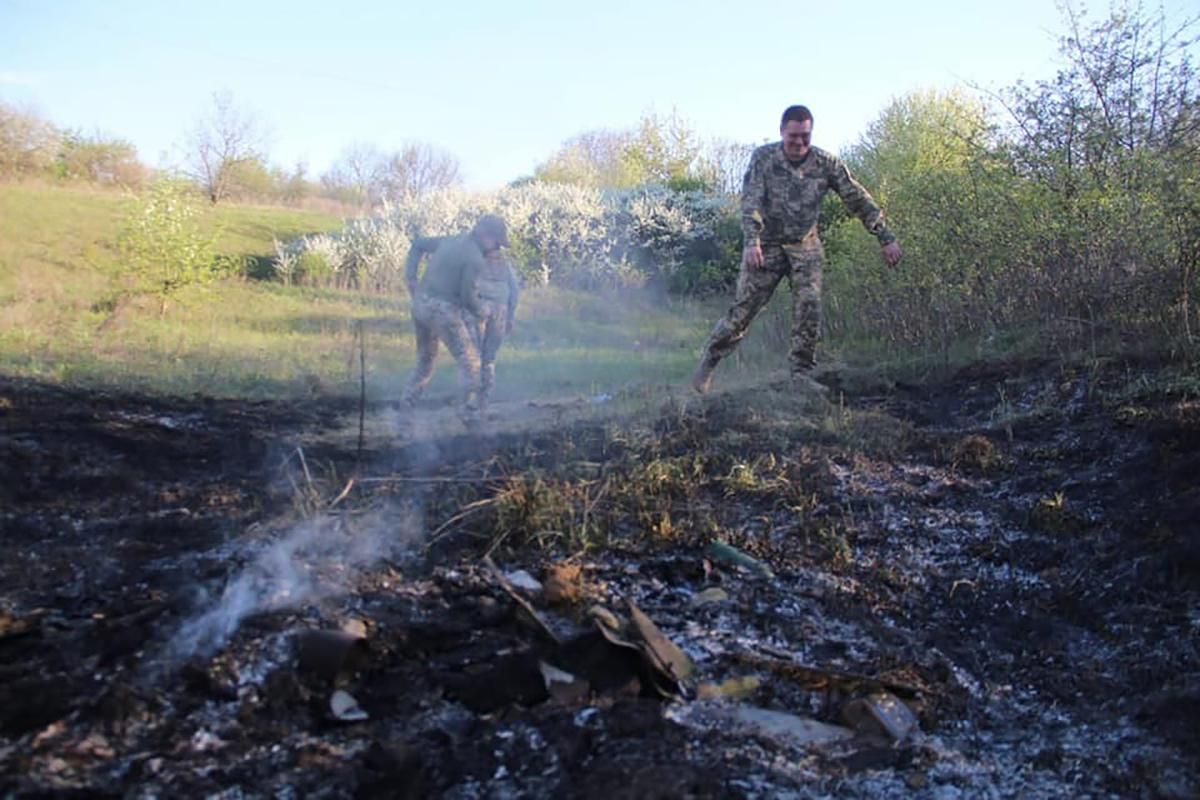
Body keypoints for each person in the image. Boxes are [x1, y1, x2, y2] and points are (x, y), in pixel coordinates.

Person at [691, 105, 902, 396]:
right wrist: (752, 241)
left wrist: (885, 237)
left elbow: (856, 198)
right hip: (766, 245)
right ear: (781, 132)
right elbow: (751, 201)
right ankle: (708, 363)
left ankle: (801, 374)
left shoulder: (826, 163)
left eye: (805, 136)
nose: (800, 143)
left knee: (809, 307)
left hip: (805, 246)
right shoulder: (763, 158)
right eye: (793, 136)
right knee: (742, 313)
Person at [401, 213, 510, 424]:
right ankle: (466, 415)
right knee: (472, 364)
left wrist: (411, 278)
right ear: (485, 235)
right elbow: (467, 298)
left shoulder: (451, 240)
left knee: (424, 362)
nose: (497, 248)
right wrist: (484, 310)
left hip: (420, 305)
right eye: (496, 242)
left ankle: (405, 413)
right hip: (442, 311)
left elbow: (417, 244)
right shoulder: (475, 259)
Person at [474, 247, 521, 410]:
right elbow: (514, 292)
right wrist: (511, 316)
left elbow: (467, 289)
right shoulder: (506, 266)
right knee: (488, 357)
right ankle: (483, 398)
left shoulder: (476, 263)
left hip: (481, 309)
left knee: (476, 355)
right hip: (499, 310)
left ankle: (475, 397)